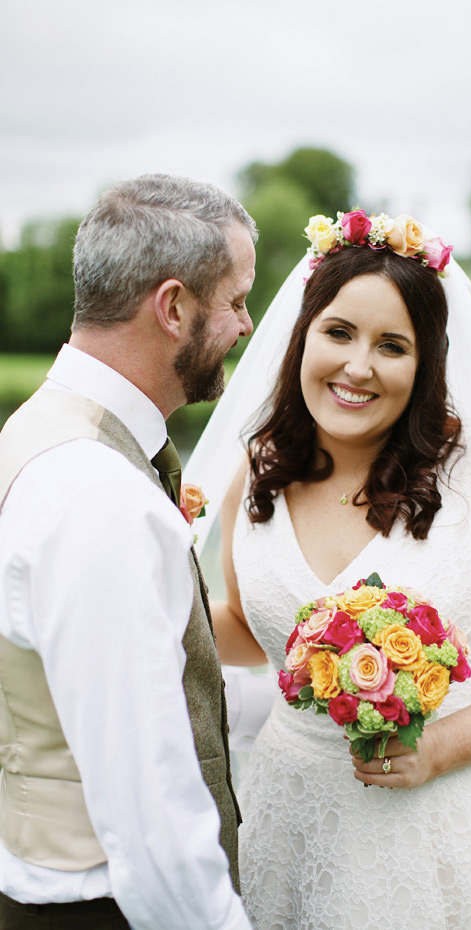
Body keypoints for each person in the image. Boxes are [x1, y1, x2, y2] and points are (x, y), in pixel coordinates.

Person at [186, 209, 471, 930]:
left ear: (426, 365)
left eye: (392, 345)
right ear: (302, 338)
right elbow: (244, 628)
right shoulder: (254, 477)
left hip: (457, 843)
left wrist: (439, 748)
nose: (358, 366)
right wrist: (162, 595)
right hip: (292, 827)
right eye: (339, 333)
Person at [0, 174, 258, 930]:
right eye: (237, 299)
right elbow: (150, 804)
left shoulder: (36, 432)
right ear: (175, 307)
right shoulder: (97, 492)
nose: (246, 325)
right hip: (99, 909)